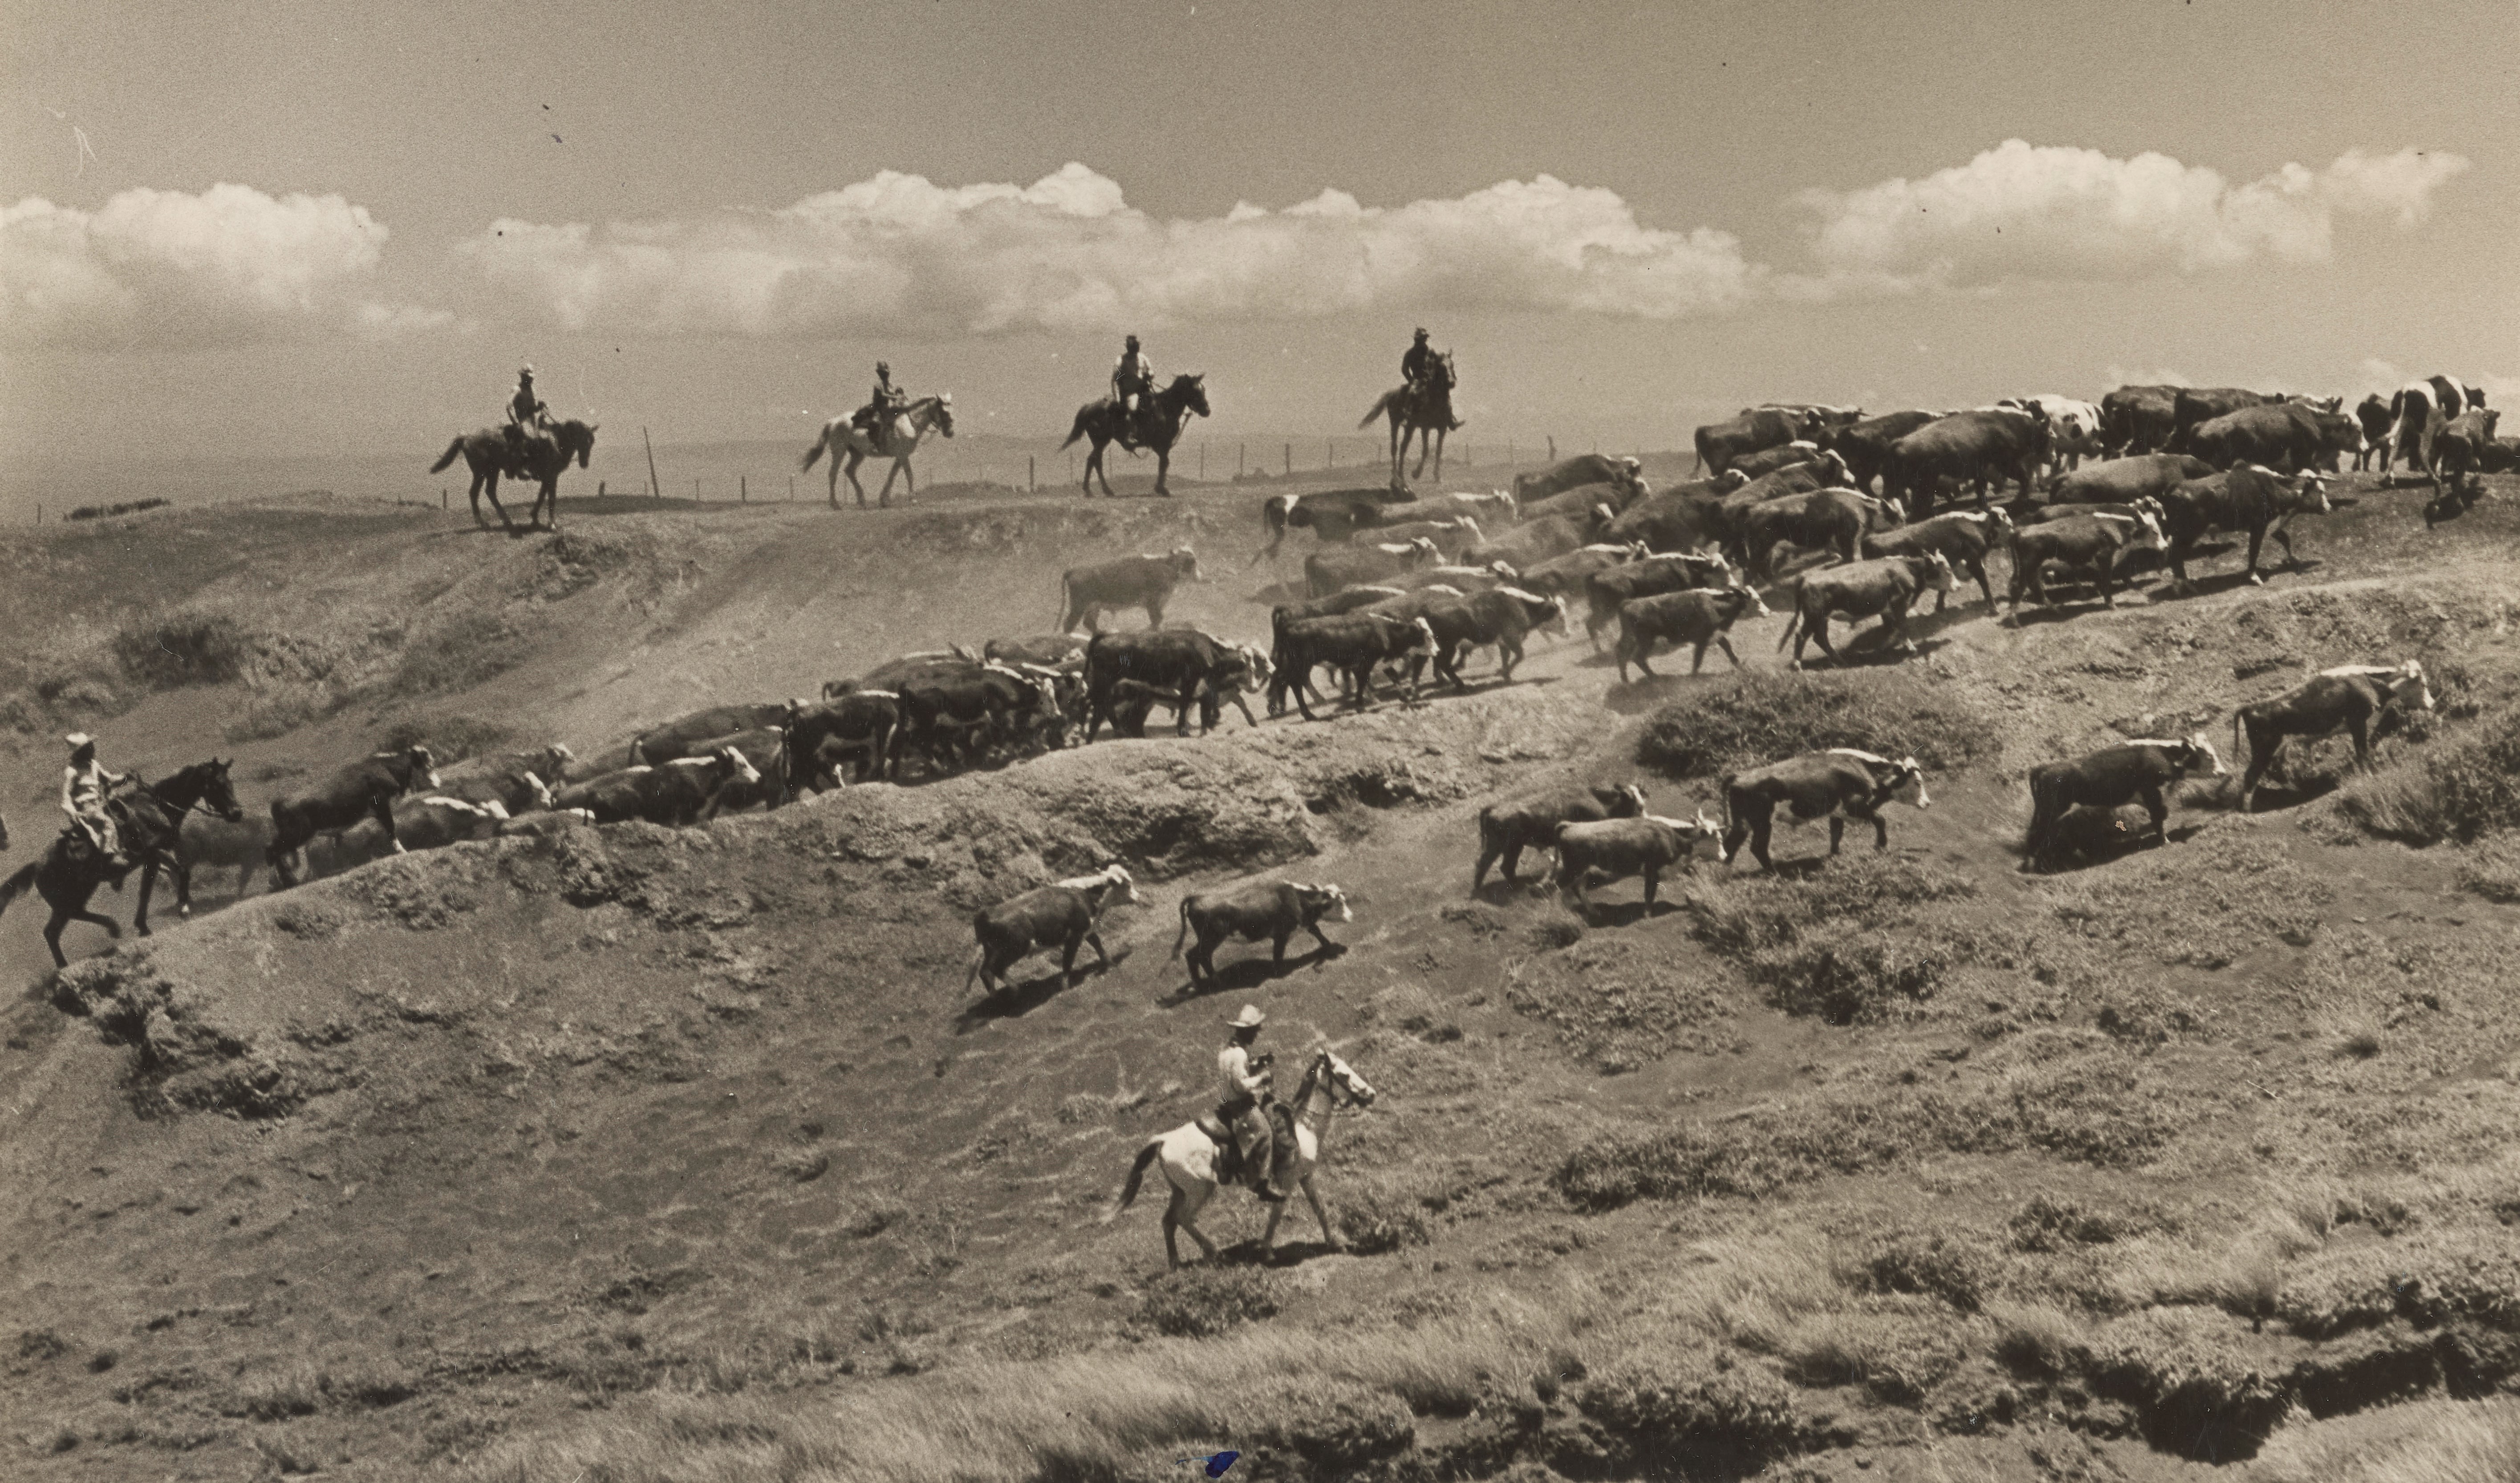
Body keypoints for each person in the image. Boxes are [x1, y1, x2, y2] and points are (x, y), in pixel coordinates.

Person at [1217, 1004, 1277, 1193]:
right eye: (1255, 1032)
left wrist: (1258, 1064)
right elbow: (1241, 1085)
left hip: (1226, 1103)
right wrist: (1262, 1077)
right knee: (1267, 1133)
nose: (1256, 1036)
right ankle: (1262, 1183)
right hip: (1241, 1106)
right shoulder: (1240, 1053)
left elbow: (1236, 1075)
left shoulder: (1226, 1050)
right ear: (1247, 1031)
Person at [61, 733, 130, 871]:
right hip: (86, 809)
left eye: (91, 746)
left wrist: (125, 778)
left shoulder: (94, 765)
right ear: (81, 752)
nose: (93, 749)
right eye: (89, 747)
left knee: (122, 814)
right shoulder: (72, 771)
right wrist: (74, 813)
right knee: (106, 822)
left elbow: (109, 779)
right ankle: (110, 855)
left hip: (100, 804)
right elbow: (66, 799)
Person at [855, 361, 903, 450]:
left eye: (886, 373)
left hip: (886, 408)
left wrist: (898, 396)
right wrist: (894, 396)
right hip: (877, 407)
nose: (885, 375)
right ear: (880, 374)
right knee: (877, 422)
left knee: (898, 417)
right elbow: (883, 395)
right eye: (883, 373)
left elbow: (892, 395)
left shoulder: (889, 385)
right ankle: (875, 443)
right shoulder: (878, 384)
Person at [504, 366, 549, 457]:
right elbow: (509, 406)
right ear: (523, 377)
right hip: (523, 420)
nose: (531, 380)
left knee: (547, 437)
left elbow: (532, 408)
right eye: (528, 378)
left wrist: (540, 407)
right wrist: (516, 423)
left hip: (533, 420)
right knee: (529, 439)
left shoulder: (533, 390)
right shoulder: (517, 390)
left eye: (531, 378)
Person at [1112, 335, 1154, 428]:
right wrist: (1118, 399)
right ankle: (1132, 433)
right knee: (1133, 408)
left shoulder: (1142, 357)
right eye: (1133, 349)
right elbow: (1115, 380)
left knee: (1155, 405)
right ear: (1128, 348)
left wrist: (1150, 375)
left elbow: (1151, 370)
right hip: (1130, 392)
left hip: (1145, 389)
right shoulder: (1121, 361)